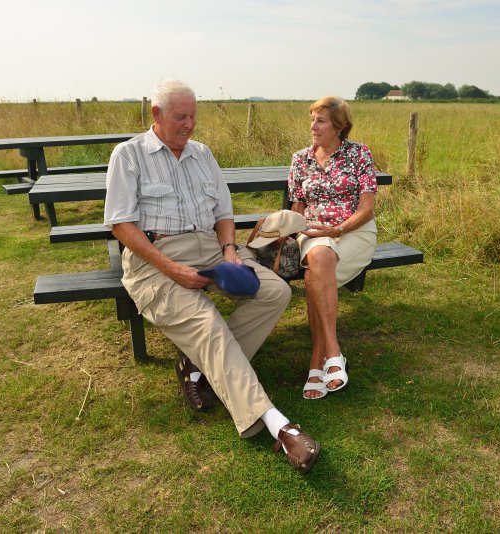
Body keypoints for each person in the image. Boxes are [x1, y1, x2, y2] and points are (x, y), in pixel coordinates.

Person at [104, 79, 320, 473]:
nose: (189, 125)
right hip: (155, 259)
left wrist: (231, 252)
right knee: (208, 322)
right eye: (180, 117)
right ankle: (279, 426)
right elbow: (121, 226)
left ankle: (197, 365)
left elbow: (223, 214)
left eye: (193, 117)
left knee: (273, 291)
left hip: (209, 247)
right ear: (156, 115)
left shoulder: (203, 154)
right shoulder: (129, 155)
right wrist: (174, 270)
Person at [288, 96, 378, 400]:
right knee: (320, 255)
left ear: (339, 126)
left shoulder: (359, 154)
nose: (313, 126)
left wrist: (338, 229)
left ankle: (318, 360)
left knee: (315, 275)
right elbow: (298, 207)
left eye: (321, 120)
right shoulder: (300, 159)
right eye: (312, 119)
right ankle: (333, 353)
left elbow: (367, 209)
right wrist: (287, 228)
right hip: (313, 233)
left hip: (354, 231)